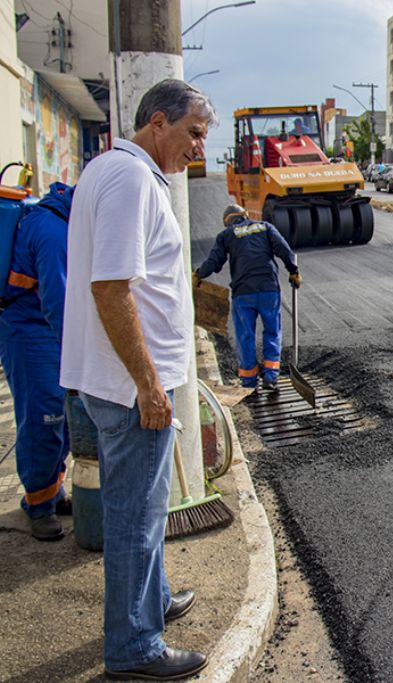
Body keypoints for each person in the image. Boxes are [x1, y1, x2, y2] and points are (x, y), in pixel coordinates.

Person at [60, 78, 215, 681]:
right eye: (193, 134)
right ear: (157, 122)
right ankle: (133, 649)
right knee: (135, 519)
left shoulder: (120, 171)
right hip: (129, 388)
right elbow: (111, 288)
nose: (199, 148)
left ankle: (151, 601)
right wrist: (149, 386)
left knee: (146, 507)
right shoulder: (128, 179)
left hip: (123, 380)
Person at [0, 182, 73, 541]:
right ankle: (37, 505)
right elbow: (58, 303)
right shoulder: (52, 231)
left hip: (42, 326)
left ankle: (53, 489)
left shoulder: (63, 220)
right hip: (28, 329)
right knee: (44, 413)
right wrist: (77, 353)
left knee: (61, 411)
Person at [194, 204, 300, 392]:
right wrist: (294, 271)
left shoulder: (226, 235)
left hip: (243, 294)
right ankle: (270, 377)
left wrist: (199, 275)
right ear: (245, 215)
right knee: (273, 332)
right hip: (268, 289)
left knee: (245, 336)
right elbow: (284, 249)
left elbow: (214, 261)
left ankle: (249, 382)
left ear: (227, 222)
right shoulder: (265, 227)